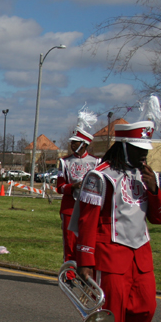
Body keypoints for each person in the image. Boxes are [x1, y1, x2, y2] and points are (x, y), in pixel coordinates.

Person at [74, 96, 161, 322]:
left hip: (140, 253)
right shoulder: (99, 175)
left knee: (146, 309)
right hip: (109, 253)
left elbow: (160, 217)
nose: (143, 157)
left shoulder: (146, 177)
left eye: (146, 151)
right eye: (138, 151)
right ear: (125, 147)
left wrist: (155, 191)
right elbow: (88, 221)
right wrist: (85, 260)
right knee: (112, 314)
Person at [57, 109, 99, 262]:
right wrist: (73, 187)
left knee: (88, 242)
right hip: (69, 208)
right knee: (69, 242)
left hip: (89, 208)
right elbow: (60, 187)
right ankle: (69, 273)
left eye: (75, 142)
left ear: (83, 144)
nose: (72, 145)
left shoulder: (96, 162)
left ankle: (86, 271)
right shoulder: (65, 162)